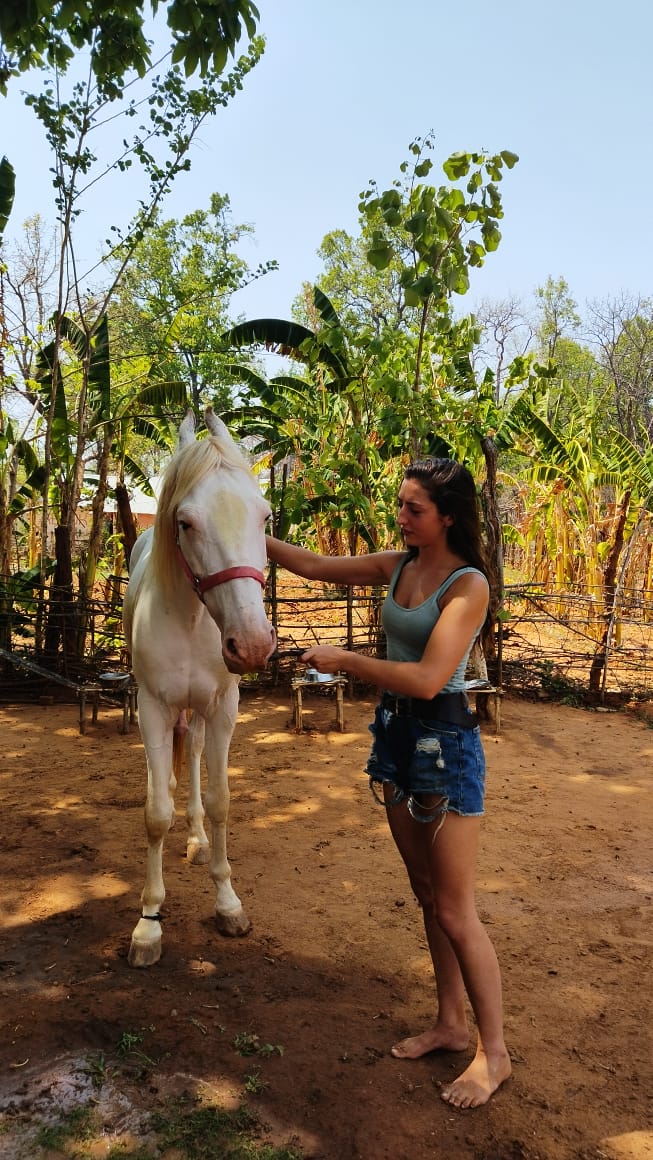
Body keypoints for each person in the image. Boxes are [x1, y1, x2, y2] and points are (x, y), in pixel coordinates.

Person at [266, 457, 511, 1109]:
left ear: (448, 516)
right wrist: (236, 532)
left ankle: (494, 1055)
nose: (400, 518)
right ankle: (450, 1023)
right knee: (427, 895)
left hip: (444, 745)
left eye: (413, 510)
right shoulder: (398, 564)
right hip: (396, 740)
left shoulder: (467, 585)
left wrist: (346, 661)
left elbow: (431, 678)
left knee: (456, 910)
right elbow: (313, 565)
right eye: (399, 505)